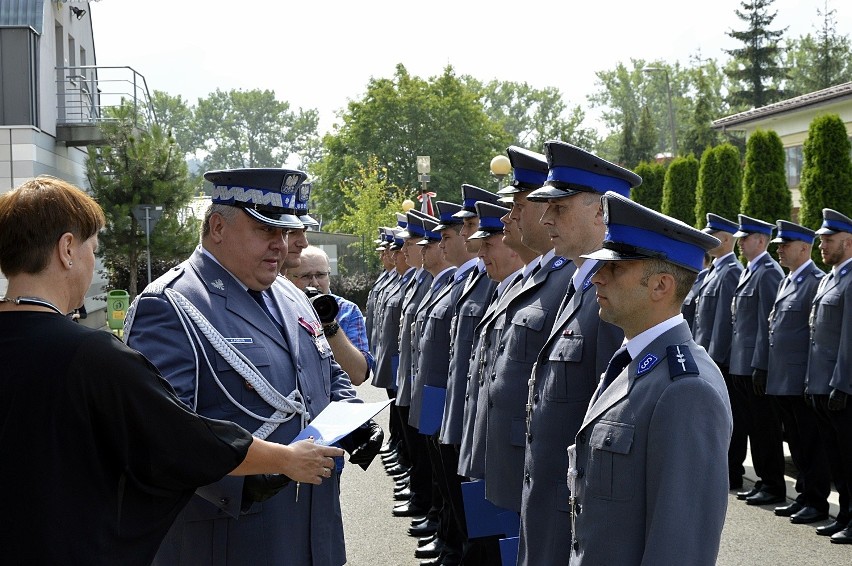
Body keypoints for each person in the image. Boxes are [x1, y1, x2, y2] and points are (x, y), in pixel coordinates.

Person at [0, 177, 343, 565]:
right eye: (92, 249)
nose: (281, 244)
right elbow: (179, 440)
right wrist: (284, 459)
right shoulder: (93, 354)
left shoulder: (290, 295)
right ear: (67, 250)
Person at [125, 168, 379, 566]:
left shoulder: (290, 295)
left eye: (285, 233)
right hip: (233, 535)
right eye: (265, 230)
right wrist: (257, 474)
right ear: (218, 227)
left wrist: (354, 421)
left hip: (312, 531)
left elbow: (325, 371)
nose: (281, 245)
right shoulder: (170, 306)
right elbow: (160, 437)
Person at [568, 191, 733, 566]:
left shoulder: (685, 389)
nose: (597, 277)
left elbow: (680, 547)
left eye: (616, 268)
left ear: (661, 286)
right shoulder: (633, 360)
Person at [518, 141, 627, 566]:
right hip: (545, 504)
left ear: (601, 212)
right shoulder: (577, 285)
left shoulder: (612, 298)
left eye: (559, 207)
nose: (545, 217)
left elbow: (610, 428)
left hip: (574, 519)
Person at [763, 220, 831, 524]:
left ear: (804, 248)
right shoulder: (787, 280)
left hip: (802, 378)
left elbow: (816, 335)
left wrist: (808, 378)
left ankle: (815, 501)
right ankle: (804, 495)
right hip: (783, 378)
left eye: (785, 245)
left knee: (810, 444)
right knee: (796, 442)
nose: (780, 250)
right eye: (778, 245)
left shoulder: (815, 280)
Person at [729, 214, 786, 506]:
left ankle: (773, 483)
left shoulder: (768, 272)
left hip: (755, 363)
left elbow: (767, 323)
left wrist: (760, 364)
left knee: (765, 427)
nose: (740, 244)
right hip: (741, 362)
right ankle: (765, 480)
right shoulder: (751, 270)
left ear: (760, 240)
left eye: (745, 239)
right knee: (753, 425)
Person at [805, 208, 852, 543]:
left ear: (847, 242)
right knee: (837, 458)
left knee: (850, 458)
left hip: (841, 387)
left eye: (829, 240)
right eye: (821, 239)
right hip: (821, 384)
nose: (822, 245)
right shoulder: (829, 277)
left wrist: (842, 383)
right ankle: (846, 515)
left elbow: (849, 338)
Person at [692, 213, 745, 490]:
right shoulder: (715, 270)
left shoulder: (731, 271)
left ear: (724, 240)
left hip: (719, 359)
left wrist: (716, 359)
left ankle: (731, 473)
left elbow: (725, 321)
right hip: (709, 355)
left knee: (728, 418)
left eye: (712, 235)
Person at [284, 245, 374, 385]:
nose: (314, 283)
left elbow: (358, 375)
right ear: (287, 278)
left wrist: (328, 322)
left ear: (329, 276)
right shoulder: (279, 308)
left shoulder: (347, 311)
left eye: (320, 275)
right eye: (305, 276)